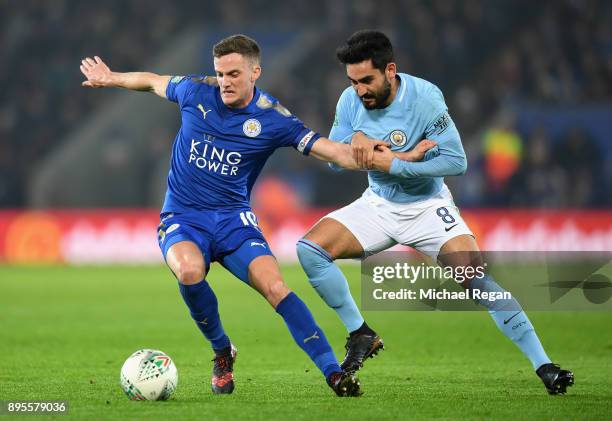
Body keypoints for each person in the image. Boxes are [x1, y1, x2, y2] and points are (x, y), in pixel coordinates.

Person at [79, 34, 407, 397]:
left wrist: (372, 156)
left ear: (256, 72)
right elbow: (153, 81)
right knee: (189, 271)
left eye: (234, 74)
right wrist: (113, 78)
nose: (225, 82)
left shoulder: (272, 118)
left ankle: (334, 374)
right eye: (220, 73)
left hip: (234, 221)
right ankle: (222, 351)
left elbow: (329, 151)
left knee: (277, 288)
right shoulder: (194, 91)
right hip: (184, 217)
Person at [295, 30, 574, 395]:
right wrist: (355, 141)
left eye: (367, 80)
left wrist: (398, 166)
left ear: (390, 70)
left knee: (474, 275)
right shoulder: (350, 101)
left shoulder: (425, 98)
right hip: (378, 204)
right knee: (309, 250)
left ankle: (545, 365)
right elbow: (334, 161)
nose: (360, 90)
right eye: (353, 81)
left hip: (428, 206)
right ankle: (360, 333)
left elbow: (456, 162)